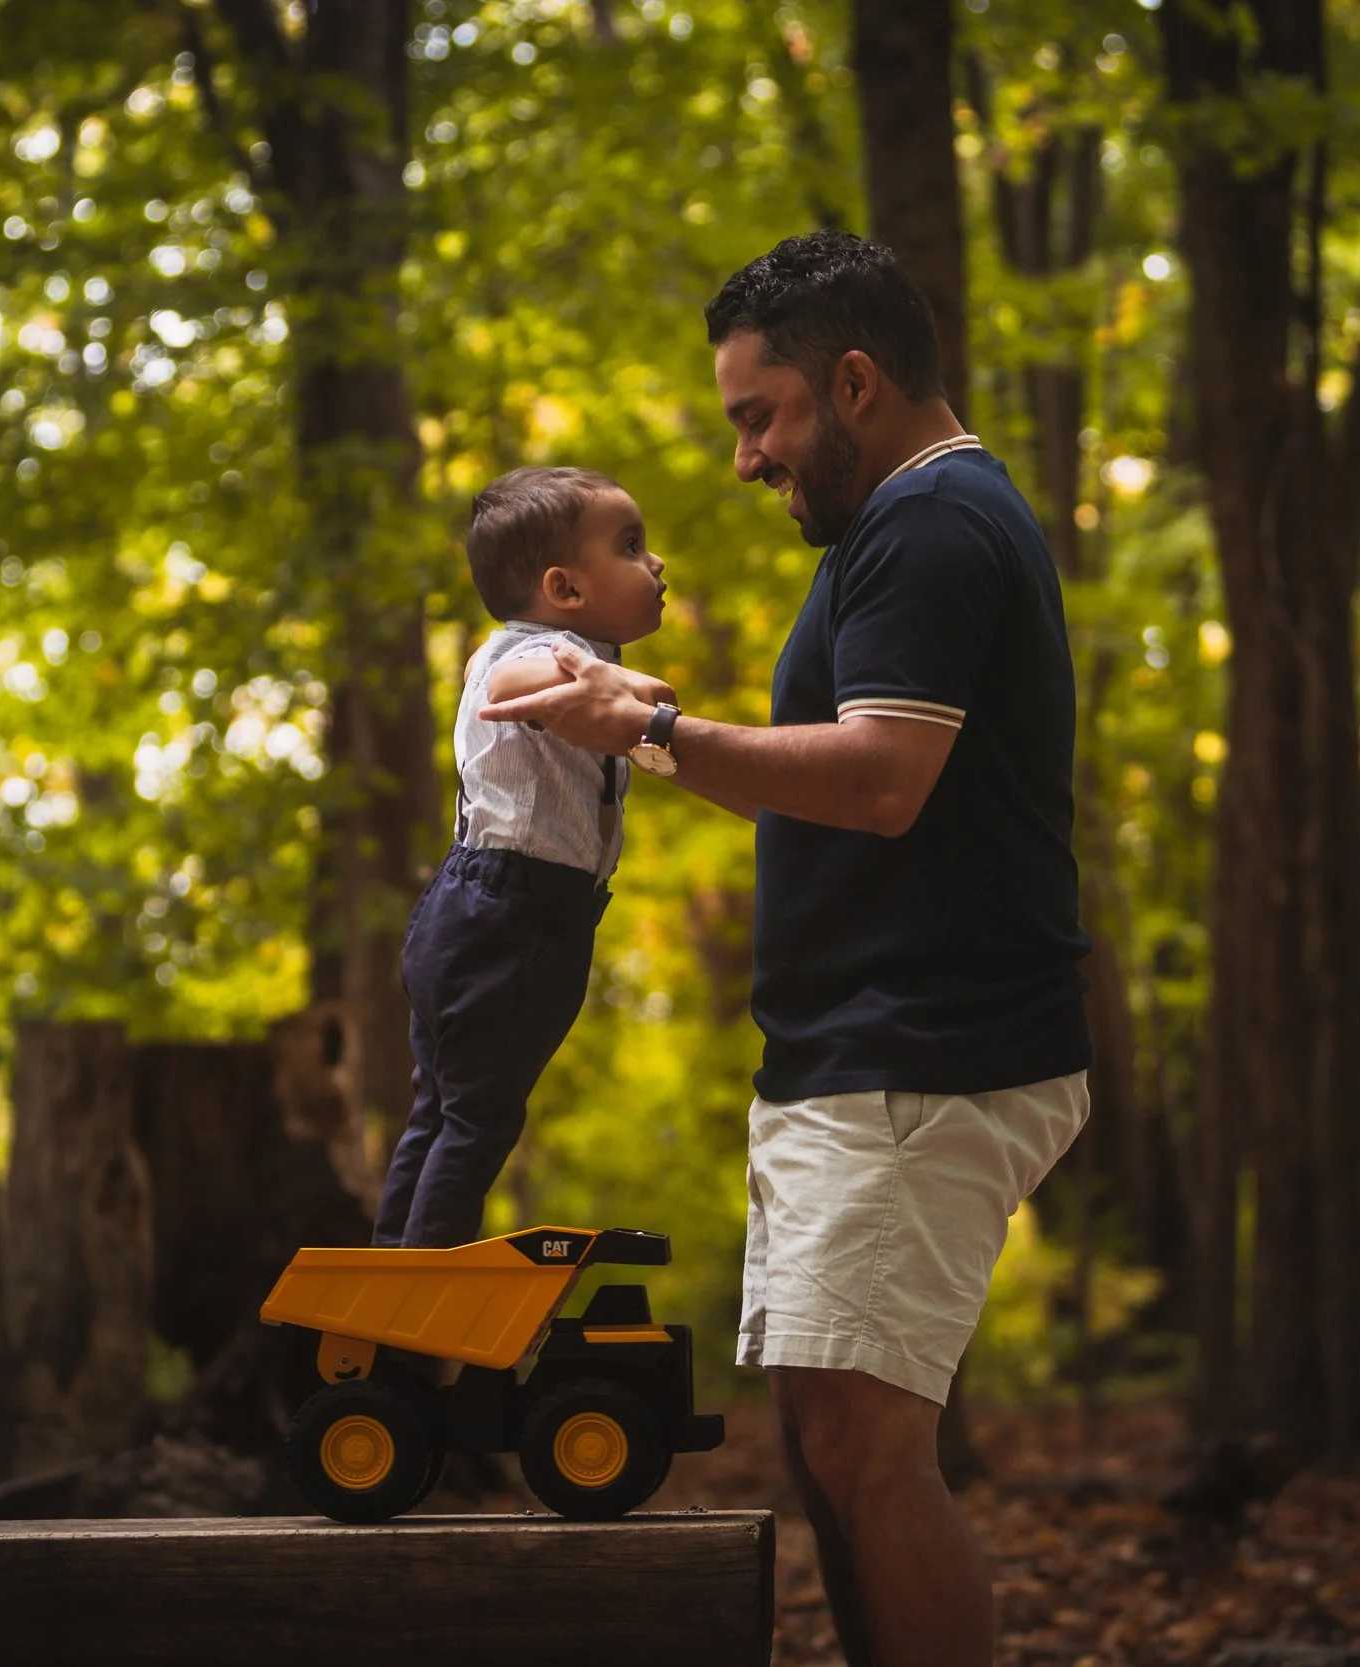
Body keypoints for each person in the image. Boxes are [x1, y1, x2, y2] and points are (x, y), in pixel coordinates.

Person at [479, 231, 1092, 1667]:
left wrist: (656, 734)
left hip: (925, 1057)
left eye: (762, 415)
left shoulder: (931, 527)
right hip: (868, 1059)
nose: (748, 458)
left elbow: (880, 778)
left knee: (869, 1451)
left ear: (857, 382)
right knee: (833, 1445)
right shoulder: (908, 529)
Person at [371, 465, 675, 1249]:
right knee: (476, 1119)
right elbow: (522, 678)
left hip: (491, 909)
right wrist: (616, 683)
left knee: (443, 1109)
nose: (657, 563)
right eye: (632, 546)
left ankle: (390, 1271)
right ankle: (411, 1301)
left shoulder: (564, 650)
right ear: (565, 589)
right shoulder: (528, 652)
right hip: (508, 913)